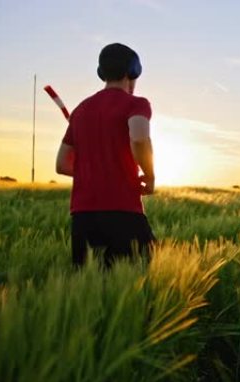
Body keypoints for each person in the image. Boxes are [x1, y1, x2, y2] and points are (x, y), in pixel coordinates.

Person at [55, 42, 156, 268]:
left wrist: (93, 171)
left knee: (90, 289)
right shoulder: (136, 104)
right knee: (141, 279)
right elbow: (139, 138)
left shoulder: (80, 110)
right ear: (132, 71)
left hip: (82, 218)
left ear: (102, 73)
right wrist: (149, 175)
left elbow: (62, 164)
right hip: (124, 213)